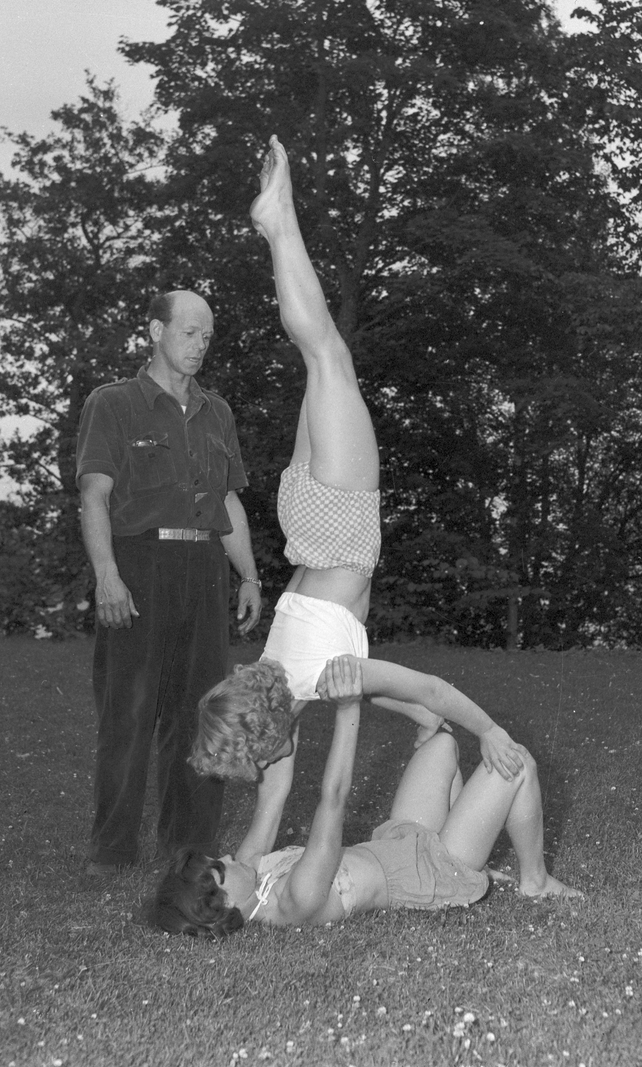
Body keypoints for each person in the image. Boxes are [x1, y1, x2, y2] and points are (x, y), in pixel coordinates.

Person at [189, 135, 524, 787]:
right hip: (304, 521)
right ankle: (277, 228)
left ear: (272, 735)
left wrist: (487, 730)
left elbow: (427, 686)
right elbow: (376, 688)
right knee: (319, 356)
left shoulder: (314, 678)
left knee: (327, 354)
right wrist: (420, 720)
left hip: (338, 529)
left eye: (258, 761)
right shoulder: (282, 670)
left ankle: (278, 223)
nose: (265, 767)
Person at [150, 657, 581, 936]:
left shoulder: (250, 870)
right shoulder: (296, 900)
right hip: (434, 871)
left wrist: (277, 713)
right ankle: (535, 880)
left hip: (400, 841)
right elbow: (333, 799)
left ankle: (473, 841)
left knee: (441, 743)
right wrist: (347, 708)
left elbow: (274, 793)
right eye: (221, 868)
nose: (228, 856)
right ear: (225, 903)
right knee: (516, 762)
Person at [76, 289, 262, 875]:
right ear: (156, 331)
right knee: (129, 712)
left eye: (207, 336)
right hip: (140, 565)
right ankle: (112, 850)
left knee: (201, 713)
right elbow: (94, 496)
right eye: (189, 332)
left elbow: (227, 499)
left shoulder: (217, 412)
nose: (200, 345)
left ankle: (190, 845)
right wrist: (108, 575)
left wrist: (249, 575)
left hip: (204, 568)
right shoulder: (113, 403)